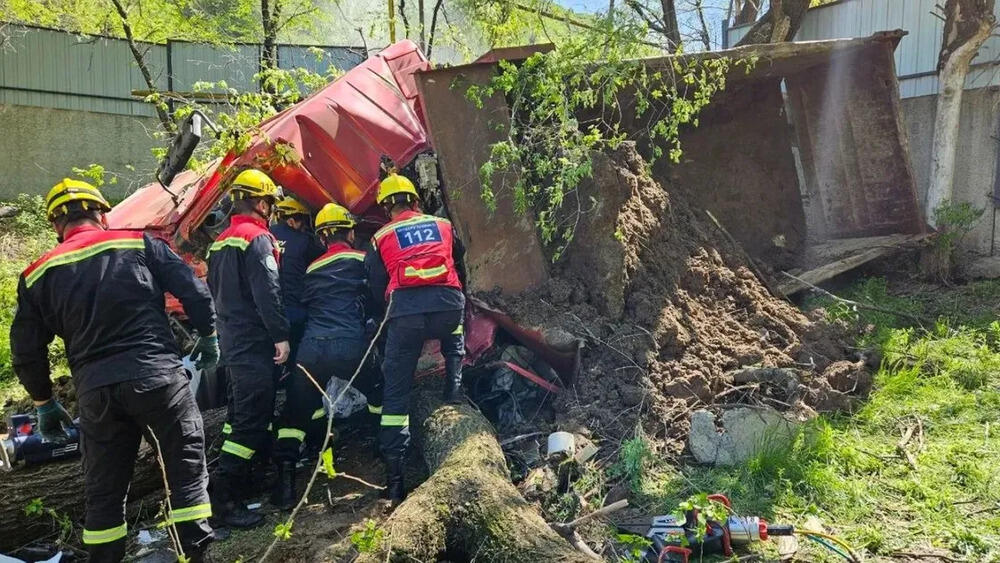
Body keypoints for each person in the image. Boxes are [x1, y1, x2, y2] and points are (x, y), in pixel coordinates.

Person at [10, 179, 220, 563]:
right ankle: (194, 555)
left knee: (104, 494)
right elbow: (192, 289)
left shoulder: (36, 274)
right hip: (158, 380)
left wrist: (43, 402)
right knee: (185, 472)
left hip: (96, 394)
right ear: (102, 214)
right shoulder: (140, 244)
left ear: (57, 226)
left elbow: (26, 350)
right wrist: (208, 335)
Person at [271, 202, 383, 509]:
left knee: (296, 413)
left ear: (321, 238)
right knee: (378, 394)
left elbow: (305, 306)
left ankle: (285, 489)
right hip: (351, 346)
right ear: (349, 232)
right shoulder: (363, 259)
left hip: (311, 350)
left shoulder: (311, 268)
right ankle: (384, 454)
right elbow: (377, 296)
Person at [365, 173, 467, 504]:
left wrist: (391, 317)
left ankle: (395, 482)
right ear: (415, 201)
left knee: (395, 395)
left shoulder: (381, 237)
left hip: (405, 317)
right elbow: (459, 262)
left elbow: (375, 285)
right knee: (454, 320)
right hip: (448, 307)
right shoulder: (443, 225)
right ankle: (454, 388)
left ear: (385, 208)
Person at [207, 169, 289, 527]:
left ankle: (247, 480)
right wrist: (280, 335)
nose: (271, 210)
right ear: (260, 202)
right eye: (270, 203)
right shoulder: (256, 239)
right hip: (254, 343)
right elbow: (267, 293)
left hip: (231, 340)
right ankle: (223, 500)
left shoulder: (220, 242)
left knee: (239, 416)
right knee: (250, 422)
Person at [270, 197, 324, 379]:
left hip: (268, 313)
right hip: (297, 312)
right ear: (293, 220)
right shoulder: (305, 241)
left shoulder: (263, 237)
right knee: (298, 359)